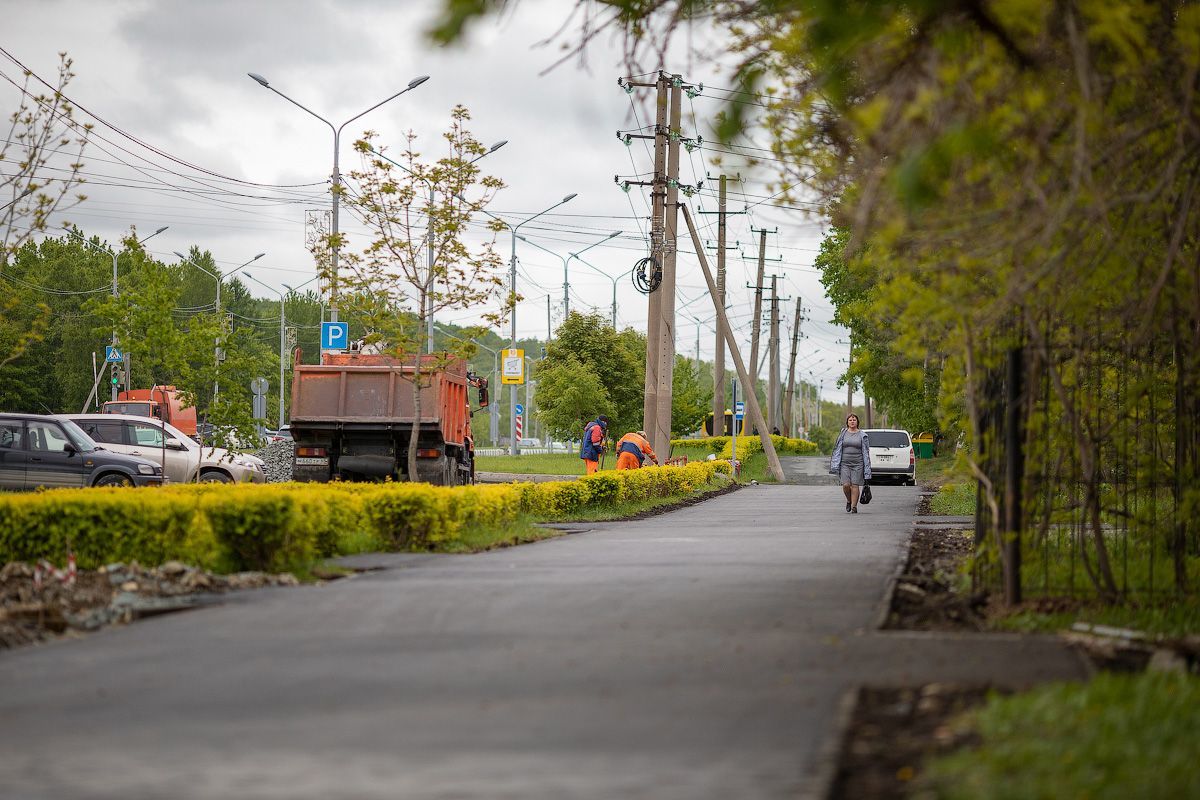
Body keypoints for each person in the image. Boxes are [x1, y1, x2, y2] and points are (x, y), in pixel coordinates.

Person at [829, 413, 872, 513]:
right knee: (846, 485)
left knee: (855, 485)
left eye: (854, 420)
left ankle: (854, 507)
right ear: (847, 422)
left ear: (857, 422)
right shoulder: (843, 434)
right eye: (850, 420)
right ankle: (849, 500)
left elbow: (866, 451)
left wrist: (867, 466)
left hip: (858, 463)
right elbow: (837, 448)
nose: (852, 421)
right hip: (844, 463)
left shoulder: (863, 435)